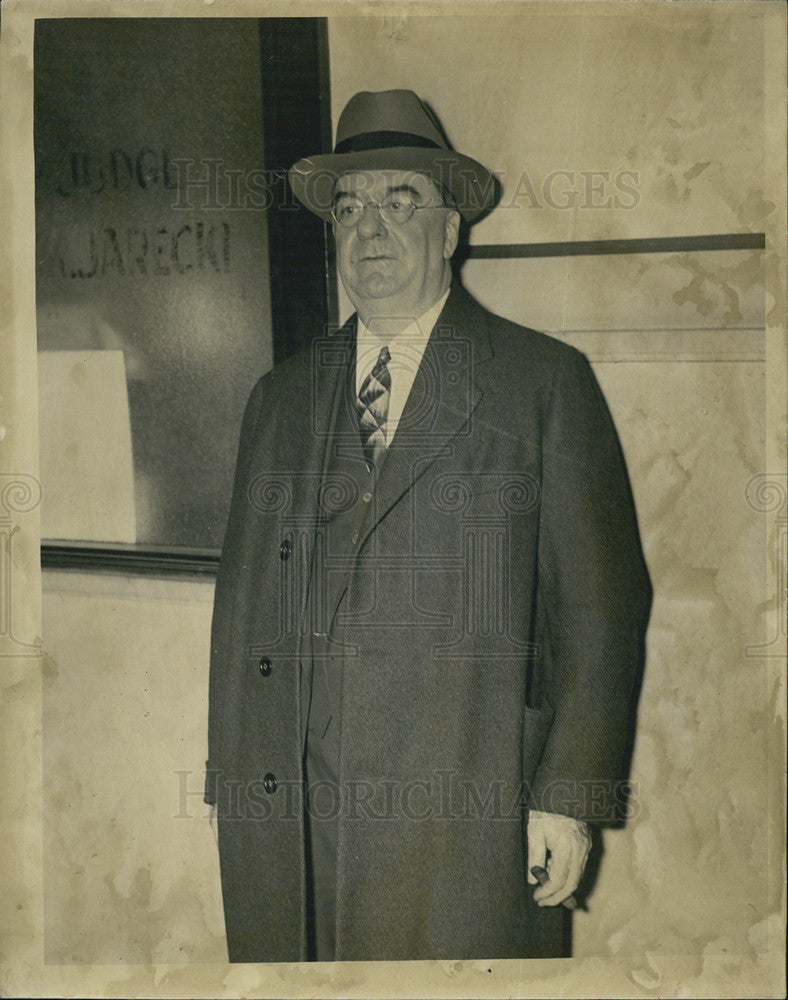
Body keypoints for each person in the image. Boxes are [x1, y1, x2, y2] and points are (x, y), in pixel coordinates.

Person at [205, 89, 651, 963]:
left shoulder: (542, 384)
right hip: (294, 812)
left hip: (462, 814)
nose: (369, 227)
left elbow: (603, 610)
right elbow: (243, 602)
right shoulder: (280, 397)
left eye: (399, 201)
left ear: (451, 231)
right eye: (349, 206)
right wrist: (236, 786)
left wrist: (569, 796)